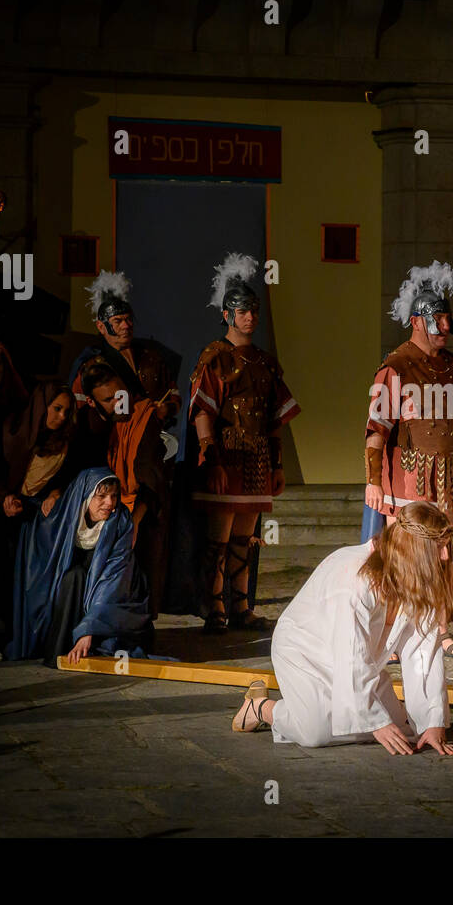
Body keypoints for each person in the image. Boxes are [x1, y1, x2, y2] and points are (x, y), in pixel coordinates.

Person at [231, 501, 453, 756]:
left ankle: (355, 709)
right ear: (414, 549)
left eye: (445, 547)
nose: (445, 557)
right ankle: (262, 708)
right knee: (315, 733)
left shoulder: (417, 577)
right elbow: (349, 650)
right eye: (438, 548)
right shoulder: (354, 577)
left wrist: (432, 721)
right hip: (305, 652)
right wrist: (374, 720)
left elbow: (422, 652)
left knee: (401, 731)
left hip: (360, 661)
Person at [366, 260, 453, 659]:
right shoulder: (395, 367)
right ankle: (392, 635)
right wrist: (373, 481)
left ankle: (440, 630)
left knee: (443, 554)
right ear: (419, 321)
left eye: (447, 319)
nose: (445, 327)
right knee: (405, 558)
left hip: (445, 478)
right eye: (439, 319)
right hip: (407, 477)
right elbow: (375, 429)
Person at [186, 253, 299, 633]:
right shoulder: (215, 358)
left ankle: (242, 606)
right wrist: (211, 459)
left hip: (257, 462)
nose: (250, 316)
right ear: (226, 315)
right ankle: (214, 607)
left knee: (245, 539)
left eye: (253, 309)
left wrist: (278, 465)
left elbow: (274, 419)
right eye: (242, 310)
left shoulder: (266, 363)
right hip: (226, 458)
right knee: (218, 541)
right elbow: (203, 411)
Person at [7, 468, 153, 665]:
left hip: (116, 596)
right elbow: (44, 525)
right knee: (73, 577)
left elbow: (112, 581)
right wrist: (21, 504)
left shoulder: (120, 522)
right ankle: (58, 651)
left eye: (114, 496)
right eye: (101, 496)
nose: (109, 503)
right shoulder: (68, 514)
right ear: (85, 496)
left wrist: (89, 629)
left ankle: (84, 641)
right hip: (77, 590)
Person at [0, 382, 80, 657]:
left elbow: (68, 478)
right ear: (40, 406)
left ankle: (26, 639)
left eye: (66, 411)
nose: (60, 416)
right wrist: (5, 498)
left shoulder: (65, 442)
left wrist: (57, 491)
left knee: (28, 580)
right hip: (3, 518)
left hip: (35, 520)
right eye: (56, 409)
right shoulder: (13, 431)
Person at [83, 360, 171, 616]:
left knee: (141, 582)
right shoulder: (94, 425)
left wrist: (133, 522)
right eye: (109, 399)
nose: (119, 402)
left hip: (141, 511)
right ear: (93, 402)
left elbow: (150, 478)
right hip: (106, 510)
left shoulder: (145, 416)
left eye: (121, 394)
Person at [69, 271, 181, 469]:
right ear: (101, 327)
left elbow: (174, 395)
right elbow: (80, 415)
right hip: (111, 448)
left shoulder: (152, 357)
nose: (127, 326)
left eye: (129, 319)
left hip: (153, 444)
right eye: (118, 321)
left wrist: (167, 409)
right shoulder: (91, 366)